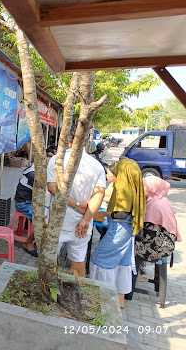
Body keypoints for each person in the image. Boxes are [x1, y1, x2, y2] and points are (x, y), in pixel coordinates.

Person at [47, 129, 106, 277]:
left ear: (69, 140)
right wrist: (86, 219)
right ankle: (77, 295)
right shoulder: (96, 165)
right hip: (82, 225)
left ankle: (48, 294)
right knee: (78, 263)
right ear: (86, 142)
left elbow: (52, 187)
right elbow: (99, 194)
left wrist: (75, 205)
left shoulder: (57, 160)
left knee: (49, 263)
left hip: (58, 221)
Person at [90, 158, 145, 307]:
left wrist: (99, 214)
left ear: (122, 175)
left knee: (100, 259)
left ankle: (102, 300)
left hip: (120, 229)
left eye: (109, 173)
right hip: (127, 230)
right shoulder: (130, 190)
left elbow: (120, 213)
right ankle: (120, 302)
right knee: (122, 263)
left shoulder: (123, 192)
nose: (108, 176)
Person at [135, 175, 180, 264]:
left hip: (159, 247)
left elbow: (147, 232)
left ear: (153, 188)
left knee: (127, 246)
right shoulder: (162, 200)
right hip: (167, 244)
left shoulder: (154, 205)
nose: (141, 189)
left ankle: (134, 275)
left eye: (144, 186)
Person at [14, 163, 37, 256]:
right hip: (23, 204)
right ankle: (29, 243)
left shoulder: (33, 170)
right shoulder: (33, 174)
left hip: (27, 201)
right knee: (42, 221)